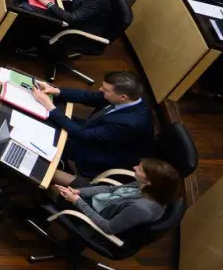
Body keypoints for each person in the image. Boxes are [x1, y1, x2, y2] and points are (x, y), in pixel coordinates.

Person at [33, 71, 153, 182]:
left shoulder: (128, 123)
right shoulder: (130, 99)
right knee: (50, 118)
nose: (100, 90)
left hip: (103, 152)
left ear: (123, 97)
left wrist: (50, 107)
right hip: (97, 128)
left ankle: (59, 170)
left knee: (49, 141)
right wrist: (57, 91)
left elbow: (81, 135)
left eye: (106, 90)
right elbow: (89, 96)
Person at [49, 157, 182, 235]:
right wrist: (81, 192)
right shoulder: (145, 185)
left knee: (46, 185)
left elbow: (108, 228)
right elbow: (110, 189)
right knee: (53, 174)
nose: (135, 167)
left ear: (150, 181)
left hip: (97, 216)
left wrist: (77, 201)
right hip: (101, 200)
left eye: (140, 169)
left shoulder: (140, 209)